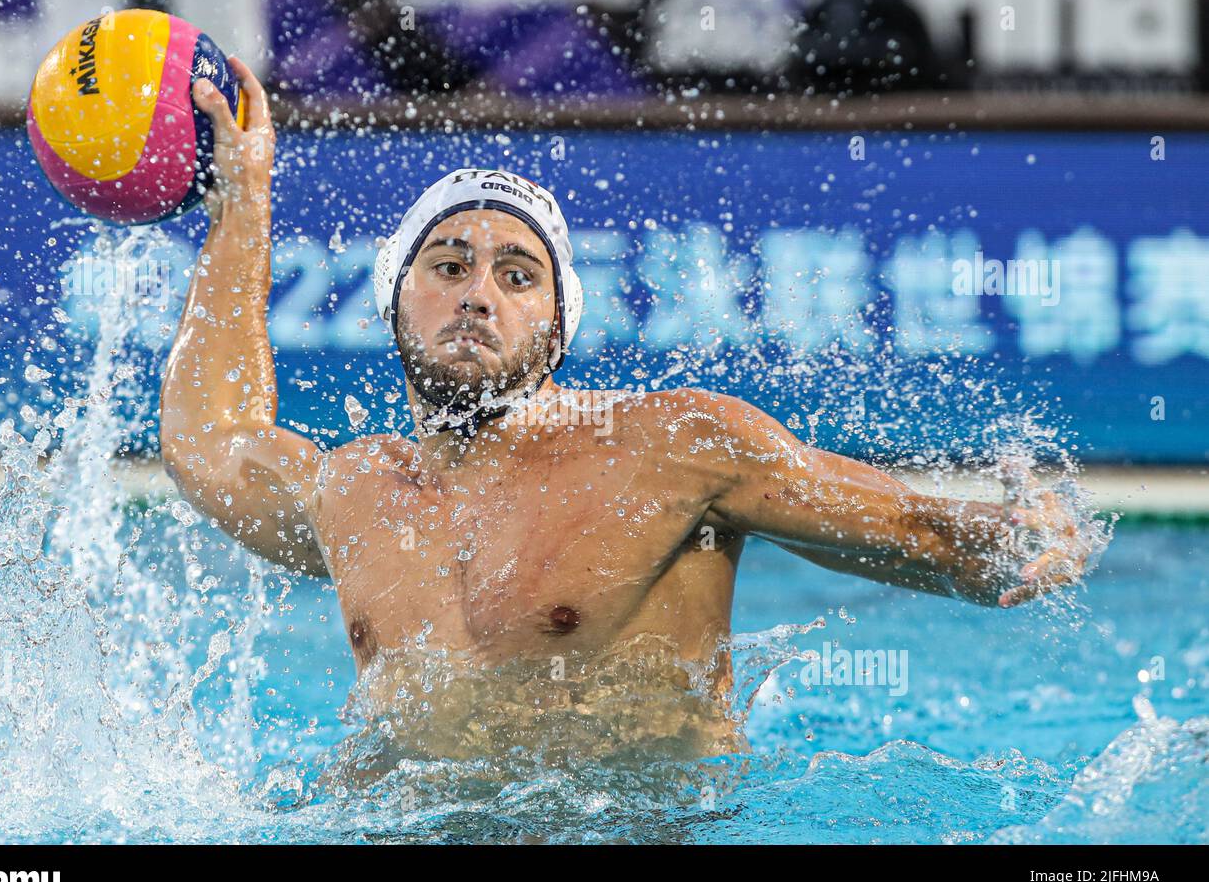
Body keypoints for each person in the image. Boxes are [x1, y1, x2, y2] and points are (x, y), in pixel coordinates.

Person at [161, 61, 1093, 759]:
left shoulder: (675, 448)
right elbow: (210, 442)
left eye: (517, 276)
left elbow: (910, 532)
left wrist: (1017, 537)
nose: (479, 294)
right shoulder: (355, 489)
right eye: (447, 266)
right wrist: (243, 200)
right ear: (392, 300)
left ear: (561, 326)